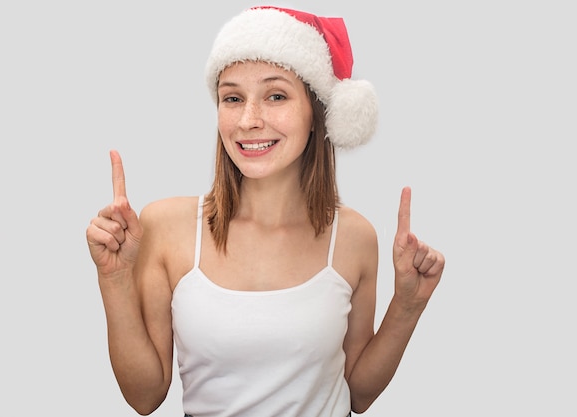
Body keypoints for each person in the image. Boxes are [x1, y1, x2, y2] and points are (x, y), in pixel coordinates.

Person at [86, 5, 445, 417]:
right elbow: (144, 396)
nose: (249, 120)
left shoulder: (354, 237)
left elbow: (359, 394)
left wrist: (407, 305)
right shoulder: (165, 228)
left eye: (276, 96)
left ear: (316, 114)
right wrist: (113, 280)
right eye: (232, 98)